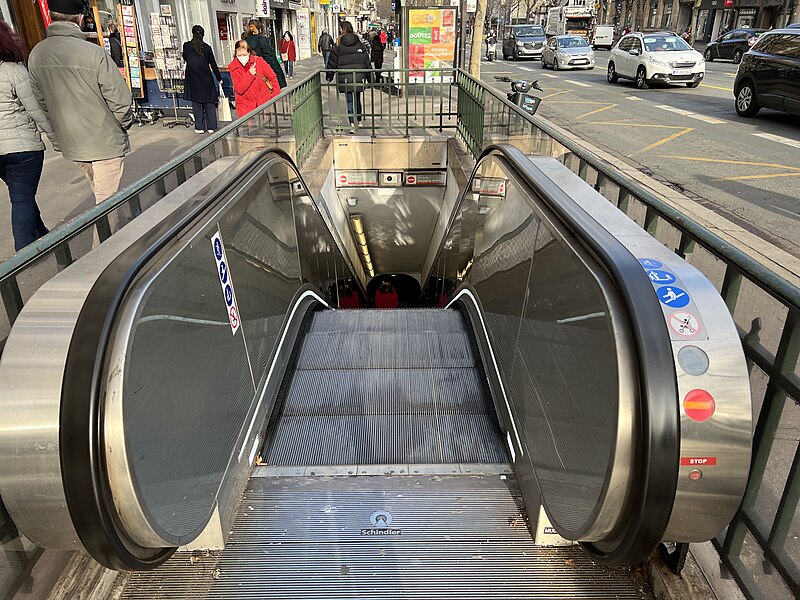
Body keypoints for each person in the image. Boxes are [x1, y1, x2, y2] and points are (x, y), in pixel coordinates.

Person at [28, 0, 133, 240]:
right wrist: (123, 123)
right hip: (104, 139)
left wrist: (57, 137)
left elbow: (40, 103)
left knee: (102, 195)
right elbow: (120, 99)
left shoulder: (37, 54)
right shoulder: (93, 52)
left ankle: (120, 232)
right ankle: (99, 263)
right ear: (79, 19)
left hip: (72, 142)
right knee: (106, 205)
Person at [0, 20, 59, 252]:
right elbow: (35, 108)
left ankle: (40, 232)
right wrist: (56, 139)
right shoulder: (13, 71)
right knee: (22, 197)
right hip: (22, 149)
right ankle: (24, 251)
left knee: (21, 193)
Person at [326, 21, 371, 134]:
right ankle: (359, 120)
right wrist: (371, 79)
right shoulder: (359, 44)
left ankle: (352, 124)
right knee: (357, 99)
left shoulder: (338, 45)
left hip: (345, 78)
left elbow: (332, 62)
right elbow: (367, 62)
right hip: (358, 77)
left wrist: (329, 77)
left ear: (343, 29)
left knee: (350, 101)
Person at [182, 25, 222, 134]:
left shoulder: (186, 46)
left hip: (193, 79)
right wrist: (219, 78)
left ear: (192, 33)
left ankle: (199, 127)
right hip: (206, 78)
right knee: (209, 102)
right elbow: (213, 64)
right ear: (203, 35)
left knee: (197, 103)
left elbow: (185, 58)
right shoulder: (207, 48)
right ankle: (211, 126)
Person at [229, 40, 280, 119]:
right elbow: (239, 89)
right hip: (245, 108)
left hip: (263, 104)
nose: (242, 57)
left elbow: (273, 78)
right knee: (250, 130)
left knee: (266, 130)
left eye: (244, 54)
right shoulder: (233, 67)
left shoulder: (259, 61)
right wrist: (250, 74)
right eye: (239, 55)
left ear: (249, 53)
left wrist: (274, 99)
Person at [244, 19, 286, 88]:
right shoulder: (260, 39)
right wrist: (275, 71)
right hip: (262, 67)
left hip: (251, 67)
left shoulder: (246, 39)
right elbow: (268, 56)